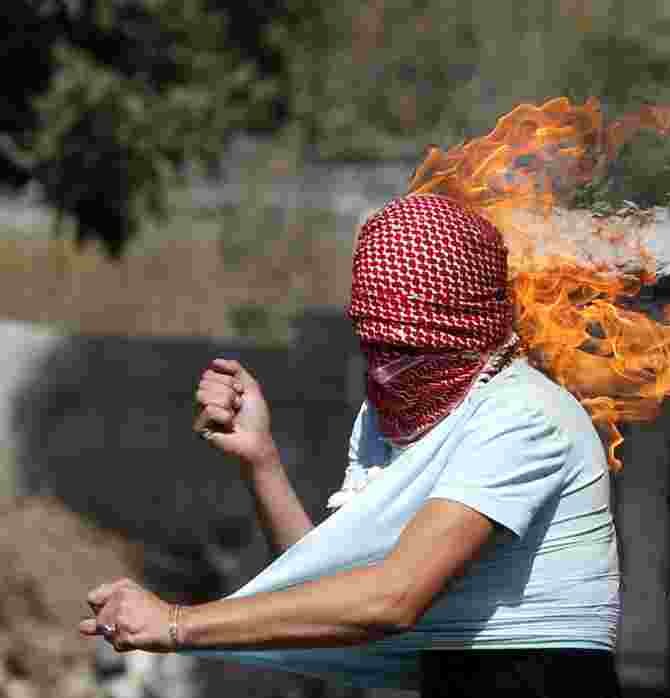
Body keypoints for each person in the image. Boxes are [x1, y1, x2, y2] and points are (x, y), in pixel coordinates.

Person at [79, 194, 623, 697]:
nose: (384, 372)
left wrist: (176, 624)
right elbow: (331, 584)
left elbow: (391, 599)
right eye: (372, 347)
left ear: (466, 330)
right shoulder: (390, 412)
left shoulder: (523, 415)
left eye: (405, 349)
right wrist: (261, 461)